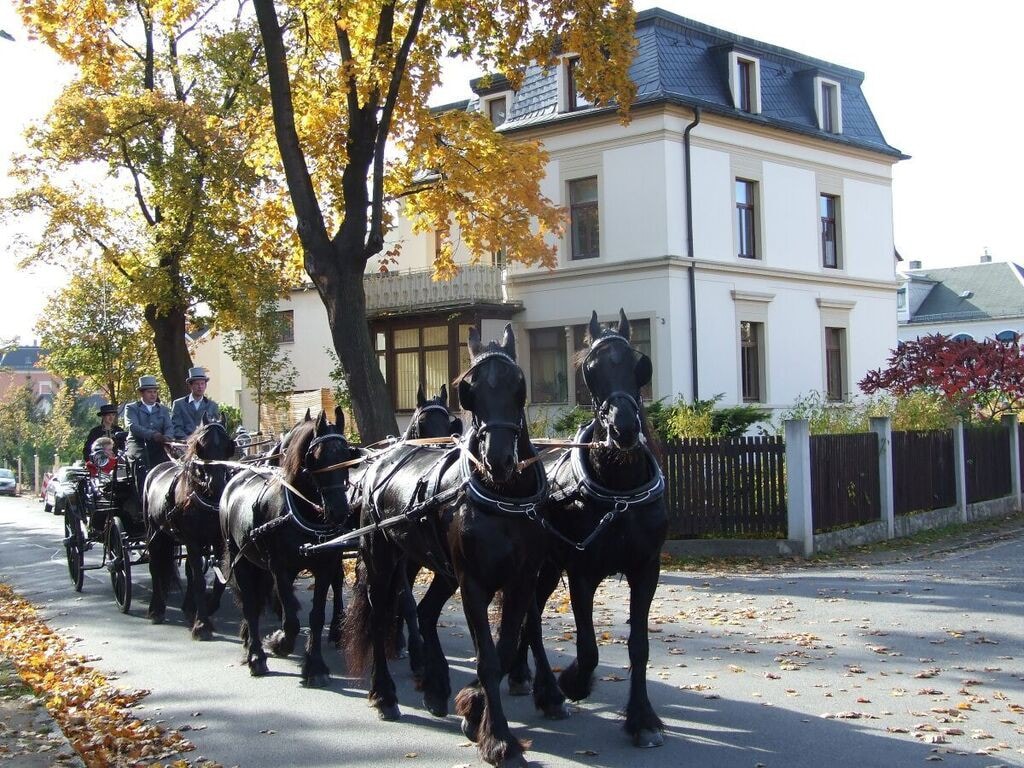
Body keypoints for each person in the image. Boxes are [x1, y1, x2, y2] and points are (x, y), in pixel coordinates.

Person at [125, 375, 173, 492]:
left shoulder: (163, 409)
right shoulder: (132, 408)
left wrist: (167, 437)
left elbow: (169, 426)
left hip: (160, 444)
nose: (153, 395)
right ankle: (142, 495)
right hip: (138, 444)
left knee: (171, 464)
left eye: (155, 392)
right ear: (141, 393)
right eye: (149, 392)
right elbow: (133, 426)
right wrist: (152, 434)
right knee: (141, 465)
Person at [170, 367, 220, 440]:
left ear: (205, 386)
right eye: (197, 384)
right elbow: (176, 427)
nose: (200, 387)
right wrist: (188, 439)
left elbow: (216, 427)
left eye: (202, 384)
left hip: (206, 444)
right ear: (190, 386)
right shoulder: (179, 404)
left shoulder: (213, 405)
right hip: (185, 444)